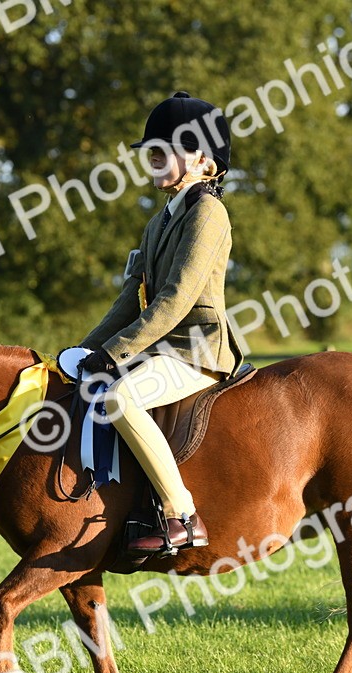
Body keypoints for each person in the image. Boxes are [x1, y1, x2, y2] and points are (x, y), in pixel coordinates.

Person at [77, 91, 245, 554]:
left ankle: (181, 514)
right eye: (152, 148)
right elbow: (129, 301)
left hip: (197, 349)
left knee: (119, 394)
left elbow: (175, 299)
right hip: (161, 348)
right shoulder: (156, 224)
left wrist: (115, 354)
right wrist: (82, 351)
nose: (154, 154)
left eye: (168, 146)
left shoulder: (209, 214)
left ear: (204, 162)